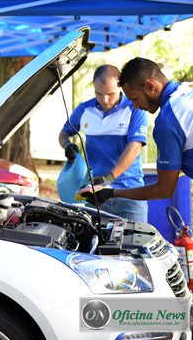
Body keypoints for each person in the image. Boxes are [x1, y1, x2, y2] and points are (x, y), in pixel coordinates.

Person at [81, 57, 193, 334]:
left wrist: (112, 192)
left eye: (134, 98)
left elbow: (164, 189)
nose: (134, 106)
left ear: (150, 86)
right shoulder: (192, 93)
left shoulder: (168, 120)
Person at [58, 64, 149, 222]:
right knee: (97, 244)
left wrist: (110, 177)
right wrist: (68, 145)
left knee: (134, 244)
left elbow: (134, 147)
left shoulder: (134, 108)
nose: (105, 100)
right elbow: (63, 133)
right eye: (99, 94)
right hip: (96, 195)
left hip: (129, 193)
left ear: (120, 86)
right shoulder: (84, 110)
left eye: (110, 94)